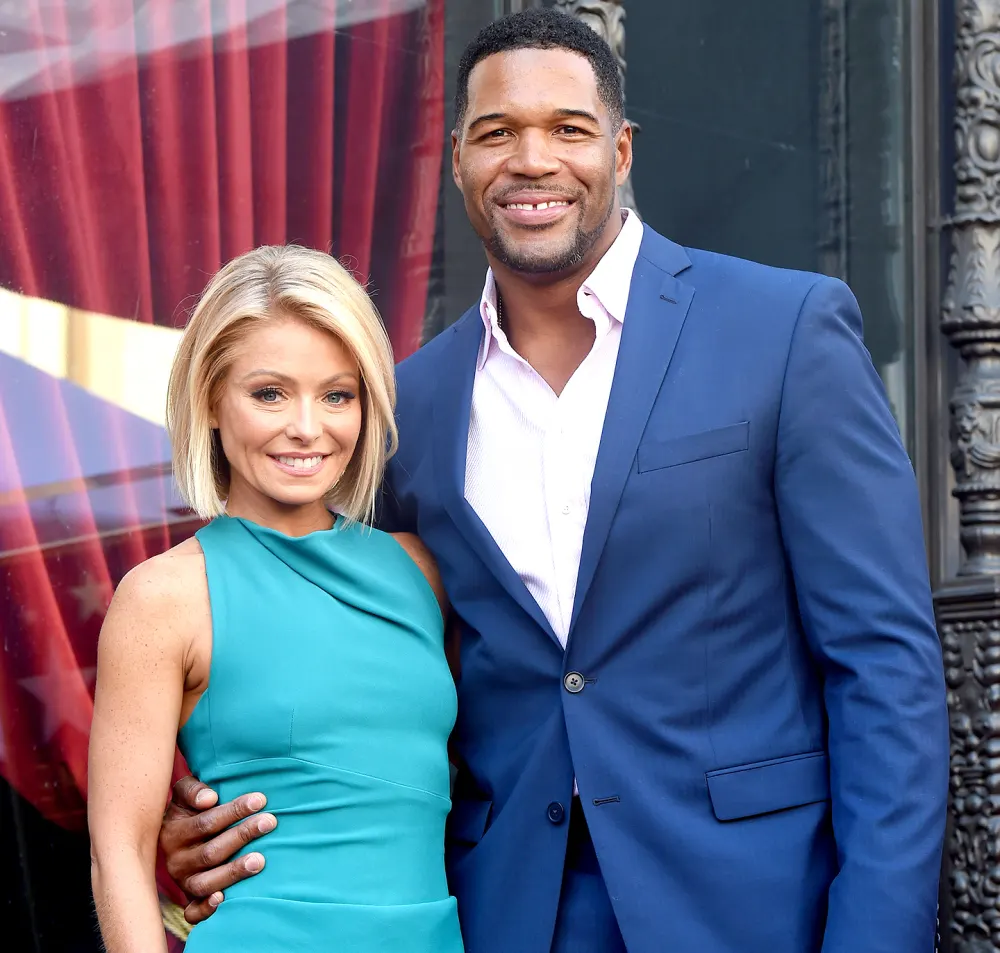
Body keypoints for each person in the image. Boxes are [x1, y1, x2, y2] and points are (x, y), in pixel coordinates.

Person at [157, 9, 949, 953]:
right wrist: (213, 814)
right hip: (506, 914)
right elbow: (350, 654)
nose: (532, 160)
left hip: (752, 907)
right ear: (456, 159)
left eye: (568, 129)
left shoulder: (785, 332)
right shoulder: (409, 406)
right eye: (497, 133)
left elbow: (884, 667)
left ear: (620, 148)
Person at [87, 245, 465, 953]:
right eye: (269, 393)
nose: (307, 426)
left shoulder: (420, 571)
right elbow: (121, 856)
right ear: (211, 401)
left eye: (337, 394)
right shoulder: (165, 596)